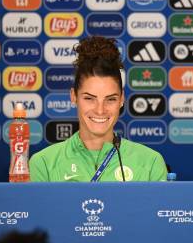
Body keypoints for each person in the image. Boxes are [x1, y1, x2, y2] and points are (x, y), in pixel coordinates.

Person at [30, 36, 167, 182]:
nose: (100, 110)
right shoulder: (43, 164)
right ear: (73, 96)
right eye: (89, 98)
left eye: (111, 99)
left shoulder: (151, 163)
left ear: (121, 99)